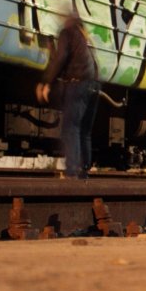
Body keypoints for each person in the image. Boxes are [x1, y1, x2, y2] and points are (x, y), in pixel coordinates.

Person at [36, 13, 98, 179]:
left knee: (71, 128)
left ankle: (72, 171)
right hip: (94, 86)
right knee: (84, 131)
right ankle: (84, 171)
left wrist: (47, 82)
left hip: (78, 83)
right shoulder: (85, 38)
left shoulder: (67, 33)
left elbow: (61, 58)